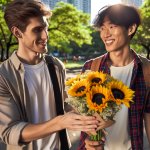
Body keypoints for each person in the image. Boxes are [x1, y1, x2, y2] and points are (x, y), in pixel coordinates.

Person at [0, 1, 99, 150]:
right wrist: (60, 123)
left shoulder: (56, 66)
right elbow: (9, 131)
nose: (46, 35)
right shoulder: (4, 75)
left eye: (46, 27)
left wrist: (91, 120)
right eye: (38, 30)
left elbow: (64, 106)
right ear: (17, 33)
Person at [78, 4, 150, 150]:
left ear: (130, 29)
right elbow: (82, 115)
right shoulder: (91, 68)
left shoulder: (147, 70)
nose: (105, 34)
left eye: (111, 27)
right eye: (102, 28)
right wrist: (89, 140)